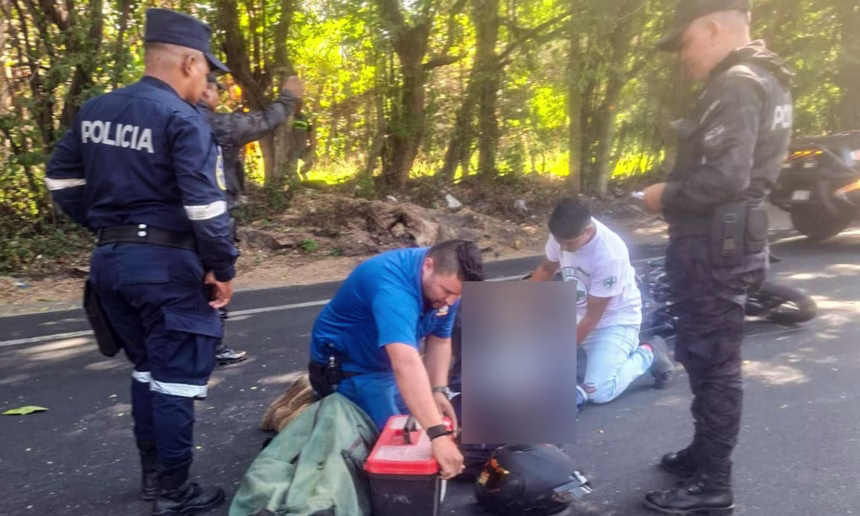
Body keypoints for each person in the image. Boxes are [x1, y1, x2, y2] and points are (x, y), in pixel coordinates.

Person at [44, 8, 240, 516]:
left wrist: (109, 229)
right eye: (206, 70)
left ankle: (154, 478)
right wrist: (222, 268)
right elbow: (206, 206)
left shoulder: (97, 109)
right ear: (189, 62)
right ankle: (175, 492)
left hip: (110, 263)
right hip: (168, 268)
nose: (204, 82)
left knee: (149, 371)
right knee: (175, 379)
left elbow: (60, 179)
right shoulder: (183, 118)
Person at [640, 0, 794, 513]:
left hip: (715, 247)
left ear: (709, 28)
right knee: (704, 355)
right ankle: (704, 455)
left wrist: (665, 195)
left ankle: (713, 483)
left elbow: (726, 178)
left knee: (714, 363)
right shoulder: (767, 78)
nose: (683, 56)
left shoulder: (738, 82)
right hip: (727, 243)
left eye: (685, 42)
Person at [306, 239, 484, 480]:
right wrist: (438, 435)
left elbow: (440, 339)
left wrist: (438, 390)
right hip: (350, 367)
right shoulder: (392, 286)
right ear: (428, 265)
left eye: (457, 295)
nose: (451, 301)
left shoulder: (444, 282)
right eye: (447, 291)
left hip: (387, 364)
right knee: (397, 451)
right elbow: (406, 363)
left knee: (430, 430)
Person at [198, 72, 303, 365]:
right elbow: (266, 120)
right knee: (215, 279)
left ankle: (189, 343)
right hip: (212, 216)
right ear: (206, 91)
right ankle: (213, 345)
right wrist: (287, 97)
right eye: (217, 91)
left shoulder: (166, 120)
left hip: (171, 223)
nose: (219, 96)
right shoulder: (219, 124)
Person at [528, 197, 674, 406]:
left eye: (569, 243)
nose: (562, 248)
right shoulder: (563, 234)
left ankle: (649, 353)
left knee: (598, 391)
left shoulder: (609, 254)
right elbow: (546, 269)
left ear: (587, 231)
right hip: (575, 312)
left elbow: (592, 317)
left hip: (613, 321)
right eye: (559, 242)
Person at [285, 98, 315, 181]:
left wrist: (310, 143)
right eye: (296, 105)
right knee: (292, 167)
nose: (298, 107)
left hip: (303, 146)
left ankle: (302, 172)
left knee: (309, 162)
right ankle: (295, 181)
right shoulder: (290, 118)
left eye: (299, 105)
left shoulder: (305, 118)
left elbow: (309, 131)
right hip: (293, 148)